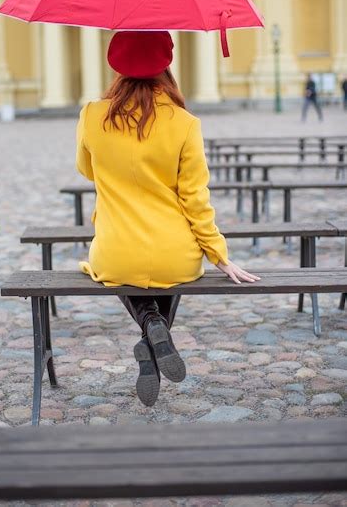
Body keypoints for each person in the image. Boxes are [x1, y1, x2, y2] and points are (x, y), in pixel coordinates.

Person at [76, 31, 259, 407]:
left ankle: (149, 325)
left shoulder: (92, 115)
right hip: (176, 254)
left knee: (116, 265)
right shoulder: (185, 123)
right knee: (168, 267)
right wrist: (220, 256)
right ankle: (154, 332)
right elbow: (195, 198)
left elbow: (86, 170)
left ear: (116, 63)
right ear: (166, 65)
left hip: (116, 253)